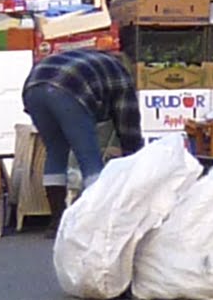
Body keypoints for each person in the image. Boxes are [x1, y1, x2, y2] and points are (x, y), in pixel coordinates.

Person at [22, 48, 144, 236]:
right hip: (69, 90)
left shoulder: (91, 60)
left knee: (55, 151)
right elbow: (128, 121)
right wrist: (134, 154)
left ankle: (56, 221)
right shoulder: (120, 74)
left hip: (34, 86)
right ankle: (95, 221)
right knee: (88, 156)